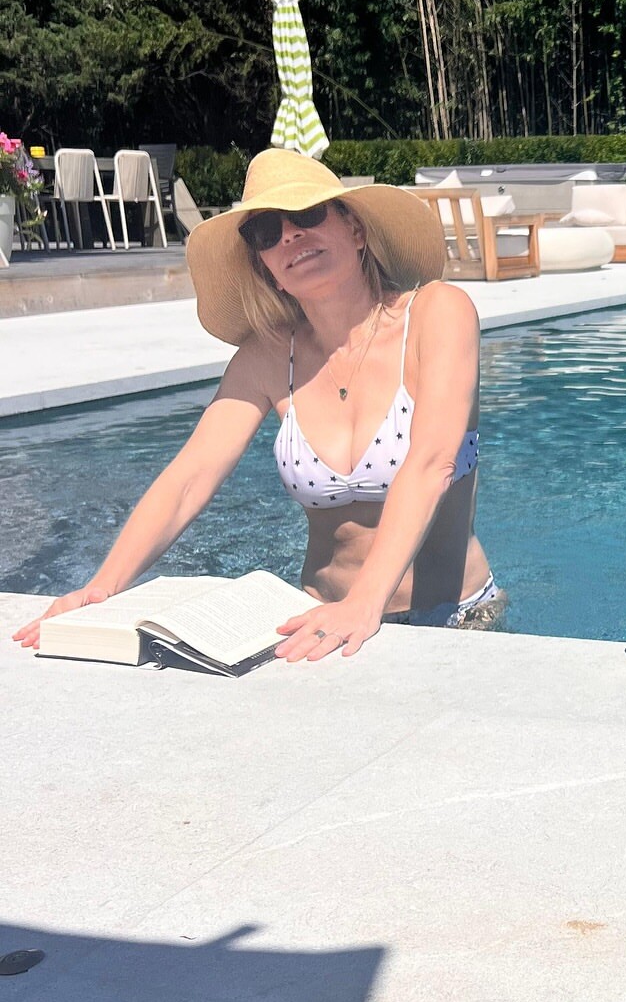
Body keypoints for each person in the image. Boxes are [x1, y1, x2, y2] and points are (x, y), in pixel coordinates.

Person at [14, 150, 503, 662]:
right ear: (268, 269)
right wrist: (101, 589)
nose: (290, 235)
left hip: (454, 616)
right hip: (319, 619)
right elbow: (189, 477)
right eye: (267, 231)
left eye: (307, 213)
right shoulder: (268, 357)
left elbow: (431, 462)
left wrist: (364, 603)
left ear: (356, 230)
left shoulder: (437, 313)